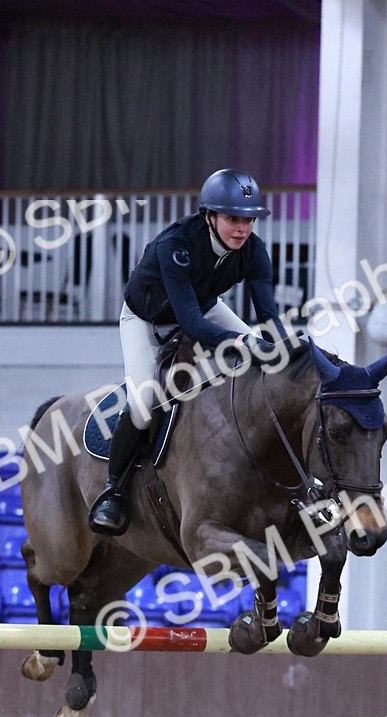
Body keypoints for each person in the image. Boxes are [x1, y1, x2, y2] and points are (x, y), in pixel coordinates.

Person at [90, 167, 287, 533]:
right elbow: (193, 326)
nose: (242, 228)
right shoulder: (176, 245)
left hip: (203, 306)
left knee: (268, 364)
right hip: (146, 320)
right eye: (233, 218)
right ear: (210, 216)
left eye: (248, 219)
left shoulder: (254, 251)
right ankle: (112, 491)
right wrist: (245, 343)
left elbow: (268, 319)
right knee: (145, 404)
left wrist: (283, 351)